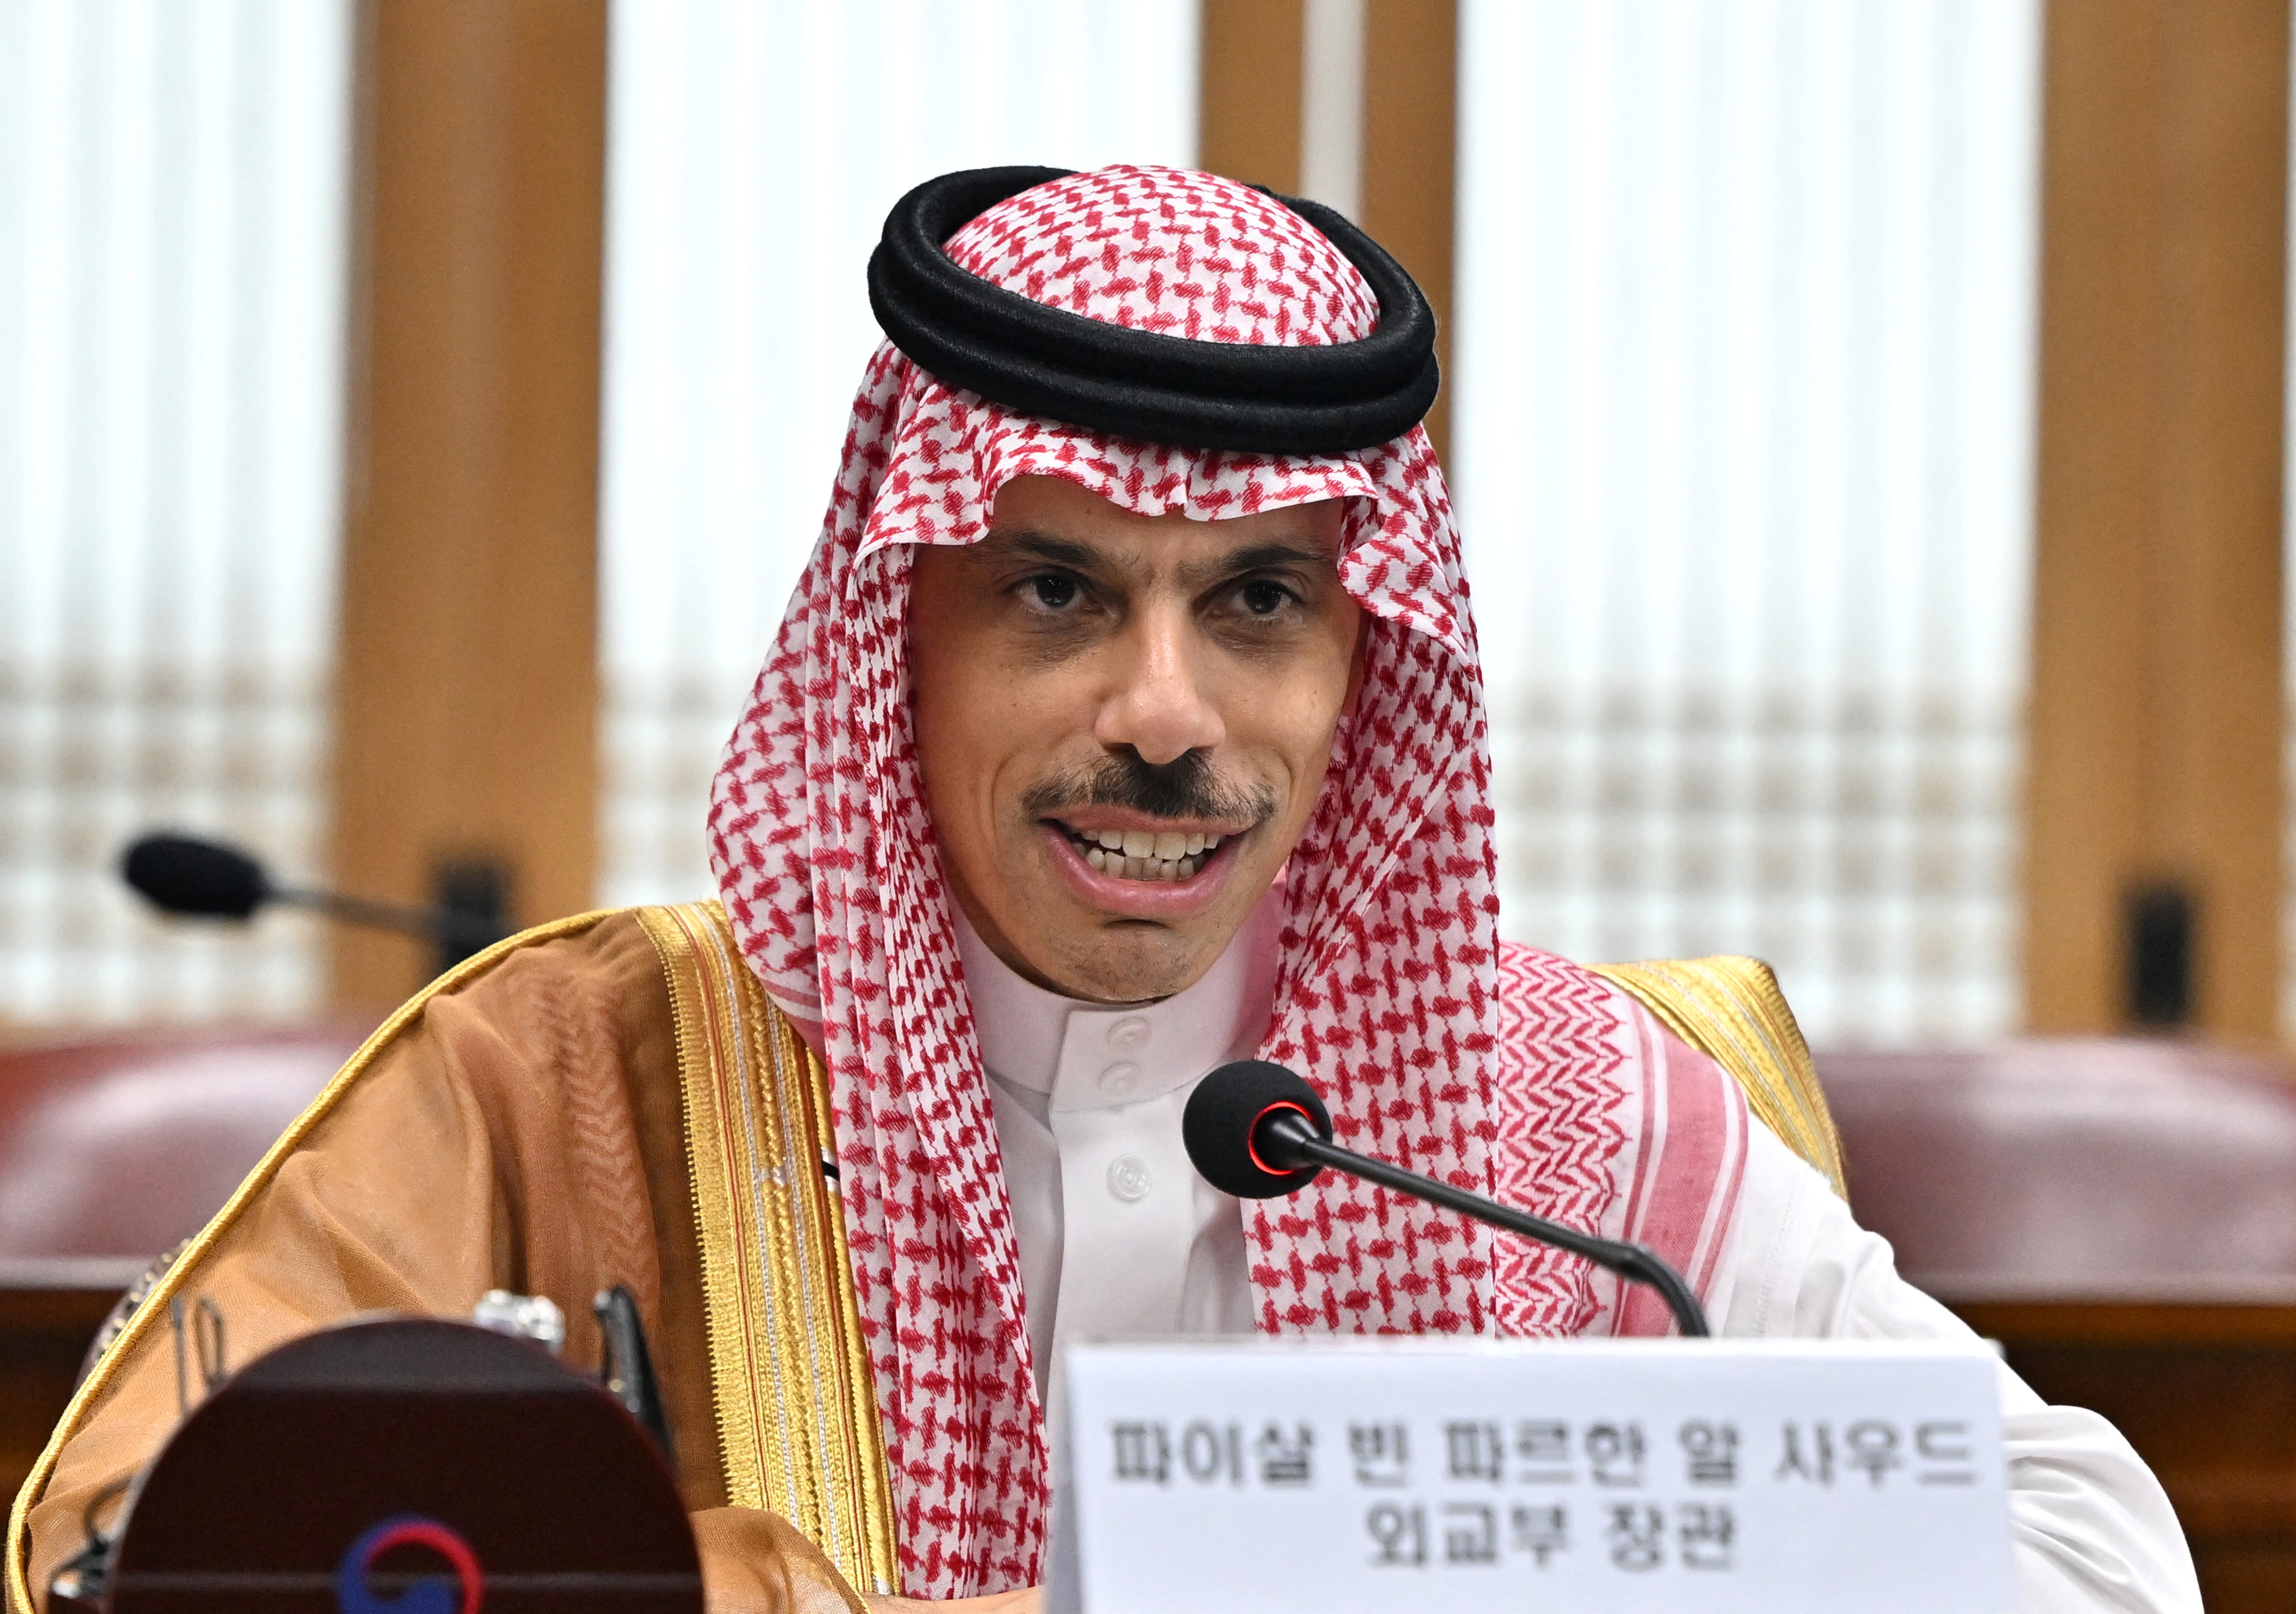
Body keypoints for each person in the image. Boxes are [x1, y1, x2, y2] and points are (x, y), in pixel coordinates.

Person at [8, 165, 2196, 1614]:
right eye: (1060, 593)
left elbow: (2094, 1546)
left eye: (1257, 604)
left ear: (1366, 660)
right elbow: (134, 1541)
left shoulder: (1576, 1131)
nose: (1167, 714)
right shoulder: (568, 1082)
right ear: (902, 630)